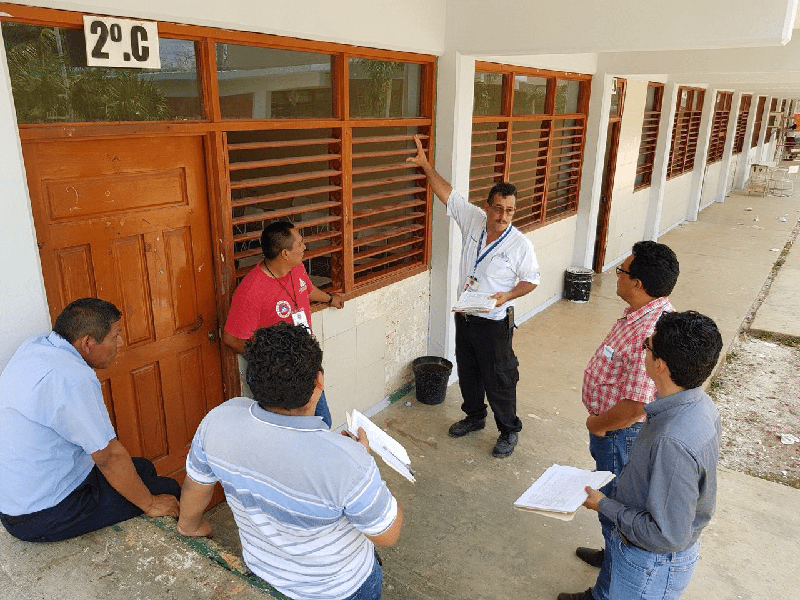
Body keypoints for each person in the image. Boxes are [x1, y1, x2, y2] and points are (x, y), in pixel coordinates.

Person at [177, 322, 403, 600]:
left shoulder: (218, 420)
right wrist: (365, 462)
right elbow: (387, 534)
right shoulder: (349, 462)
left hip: (264, 577)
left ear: (253, 379)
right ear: (318, 381)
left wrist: (190, 525)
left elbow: (194, 487)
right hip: (342, 591)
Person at [563, 310, 723, 600]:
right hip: (646, 556)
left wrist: (604, 505)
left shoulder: (672, 441)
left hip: (649, 566)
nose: (643, 351)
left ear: (659, 365)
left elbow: (664, 535)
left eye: (647, 346)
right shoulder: (698, 405)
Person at [0, 298, 180, 542]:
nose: (121, 343)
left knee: (143, 468)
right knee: (167, 491)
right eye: (115, 335)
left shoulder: (36, 347)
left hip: (19, 498)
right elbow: (107, 455)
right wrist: (149, 504)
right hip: (43, 514)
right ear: (87, 342)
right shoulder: (73, 378)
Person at [407, 136, 540, 458]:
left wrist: (506, 295)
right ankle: (474, 417)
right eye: (498, 209)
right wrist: (426, 166)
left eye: (509, 210)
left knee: (499, 380)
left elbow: (532, 281)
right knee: (468, 372)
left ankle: (508, 430)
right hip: (465, 316)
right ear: (488, 206)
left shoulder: (520, 245)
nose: (503, 216)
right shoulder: (475, 221)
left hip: (493, 322)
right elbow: (448, 195)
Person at [564, 241, 679, 600]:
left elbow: (636, 405)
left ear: (639, 283)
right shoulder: (643, 312)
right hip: (615, 430)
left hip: (620, 433)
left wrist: (599, 425)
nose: (617, 274)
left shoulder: (652, 330)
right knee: (611, 505)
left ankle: (604, 591)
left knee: (614, 508)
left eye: (622, 271)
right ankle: (610, 553)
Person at [223, 220, 344, 427]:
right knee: (291, 431)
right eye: (300, 243)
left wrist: (330, 299)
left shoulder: (295, 268)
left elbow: (307, 289)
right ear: (284, 254)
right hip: (280, 378)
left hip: (305, 364)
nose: (304, 247)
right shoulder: (251, 291)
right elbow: (232, 339)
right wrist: (271, 361)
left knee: (322, 423)